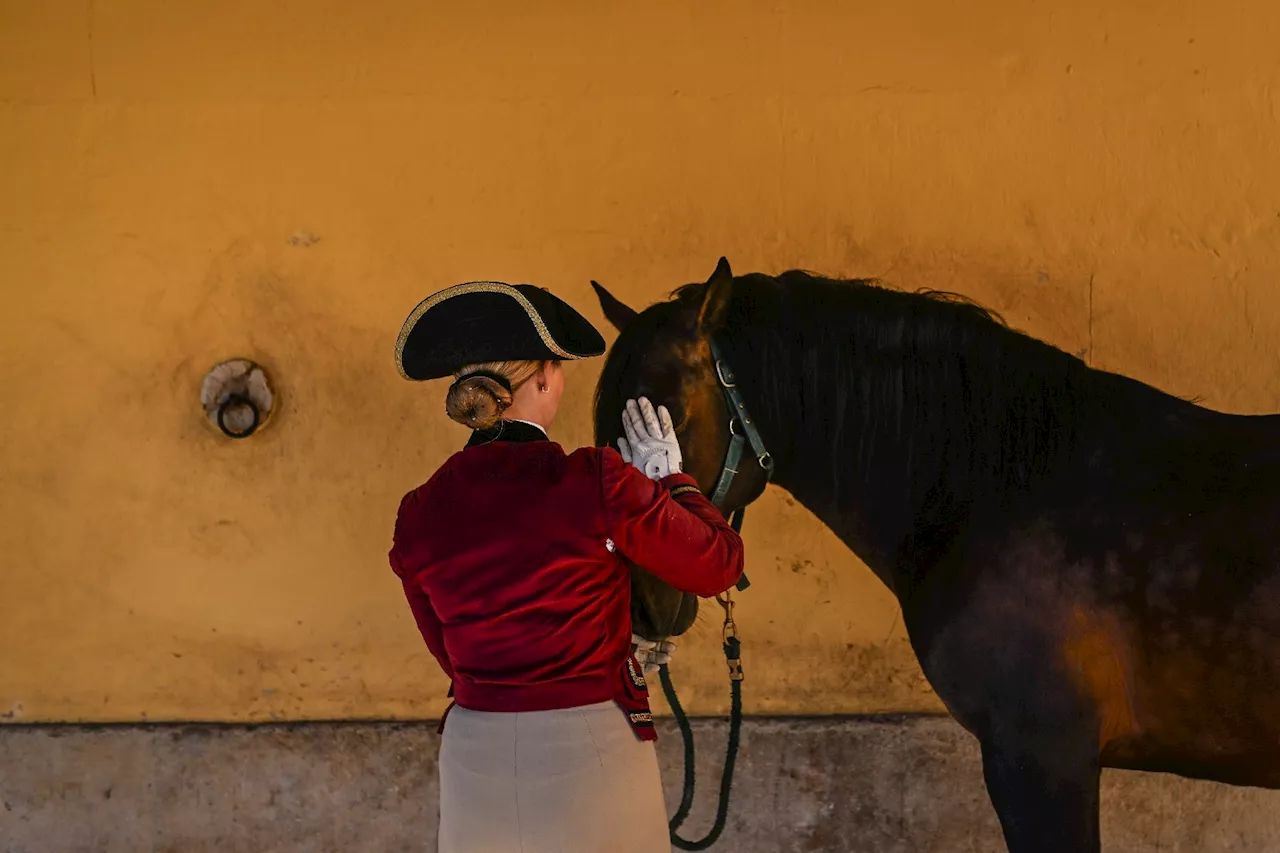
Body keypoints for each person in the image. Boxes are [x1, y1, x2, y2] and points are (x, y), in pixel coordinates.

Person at [389, 280, 745, 853]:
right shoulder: (596, 479)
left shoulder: (418, 512)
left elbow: (447, 654)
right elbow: (718, 564)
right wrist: (672, 481)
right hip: (590, 744)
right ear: (543, 378)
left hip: (475, 751)